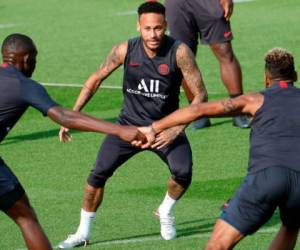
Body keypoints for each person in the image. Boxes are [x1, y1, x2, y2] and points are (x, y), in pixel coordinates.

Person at [58, 1, 207, 248]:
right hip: (127, 128)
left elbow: (201, 96)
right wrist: (72, 115)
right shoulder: (125, 49)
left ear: (166, 26)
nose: (153, 34)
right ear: (138, 26)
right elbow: (95, 79)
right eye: (147, 28)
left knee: (183, 172)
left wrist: (175, 129)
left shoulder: (179, 52)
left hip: (162, 129)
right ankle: (83, 232)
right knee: (97, 174)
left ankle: (166, 211)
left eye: (158, 28)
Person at [138, 47, 300, 249]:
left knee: (218, 246)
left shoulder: (253, 100)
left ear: (266, 78)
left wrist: (154, 127)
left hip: (266, 178)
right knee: (291, 227)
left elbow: (197, 110)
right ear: (295, 75)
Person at [0, 33, 144, 250]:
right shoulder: (25, 85)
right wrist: (119, 129)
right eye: (35, 60)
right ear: (27, 59)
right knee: (25, 217)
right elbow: (64, 117)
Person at [164, 0, 250, 129]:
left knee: (224, 51)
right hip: (176, 4)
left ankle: (238, 109)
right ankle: (197, 113)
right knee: (181, 57)